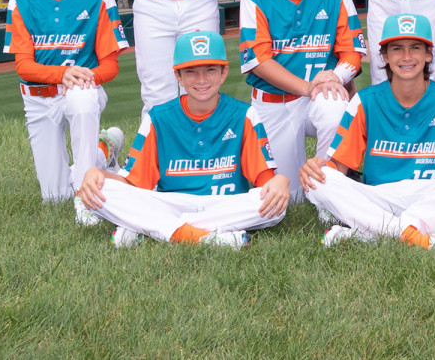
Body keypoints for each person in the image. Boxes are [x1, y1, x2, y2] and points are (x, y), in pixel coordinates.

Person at [300, 14, 435, 251]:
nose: (406, 57)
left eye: (415, 48)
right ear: (385, 56)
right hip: (377, 198)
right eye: (397, 49)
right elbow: (339, 168)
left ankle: (375, 233)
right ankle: (422, 237)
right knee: (318, 180)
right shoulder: (364, 102)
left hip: (433, 196)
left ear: (428, 54)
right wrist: (316, 168)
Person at [77, 31, 289, 250]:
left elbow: (266, 183)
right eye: (191, 72)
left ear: (223, 72)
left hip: (225, 204)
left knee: (275, 205)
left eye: (210, 70)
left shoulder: (244, 115)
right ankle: (204, 237)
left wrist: (280, 182)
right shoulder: (157, 118)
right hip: (171, 203)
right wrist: (98, 174)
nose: (201, 80)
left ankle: (147, 227)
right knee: (104, 192)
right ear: (178, 76)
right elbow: (131, 184)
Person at [3, 0, 129, 221]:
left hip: (81, 92)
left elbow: (110, 66)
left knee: (83, 98)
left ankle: (87, 198)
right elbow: (23, 66)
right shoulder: (20, 2)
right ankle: (105, 150)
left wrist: (85, 77)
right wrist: (62, 73)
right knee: (54, 196)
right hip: (38, 97)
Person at [240, 0, 364, 204]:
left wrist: (336, 78)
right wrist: (309, 86)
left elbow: (352, 54)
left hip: (319, 97)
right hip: (273, 103)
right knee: (289, 198)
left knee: (335, 104)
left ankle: (330, 198)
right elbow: (259, 61)